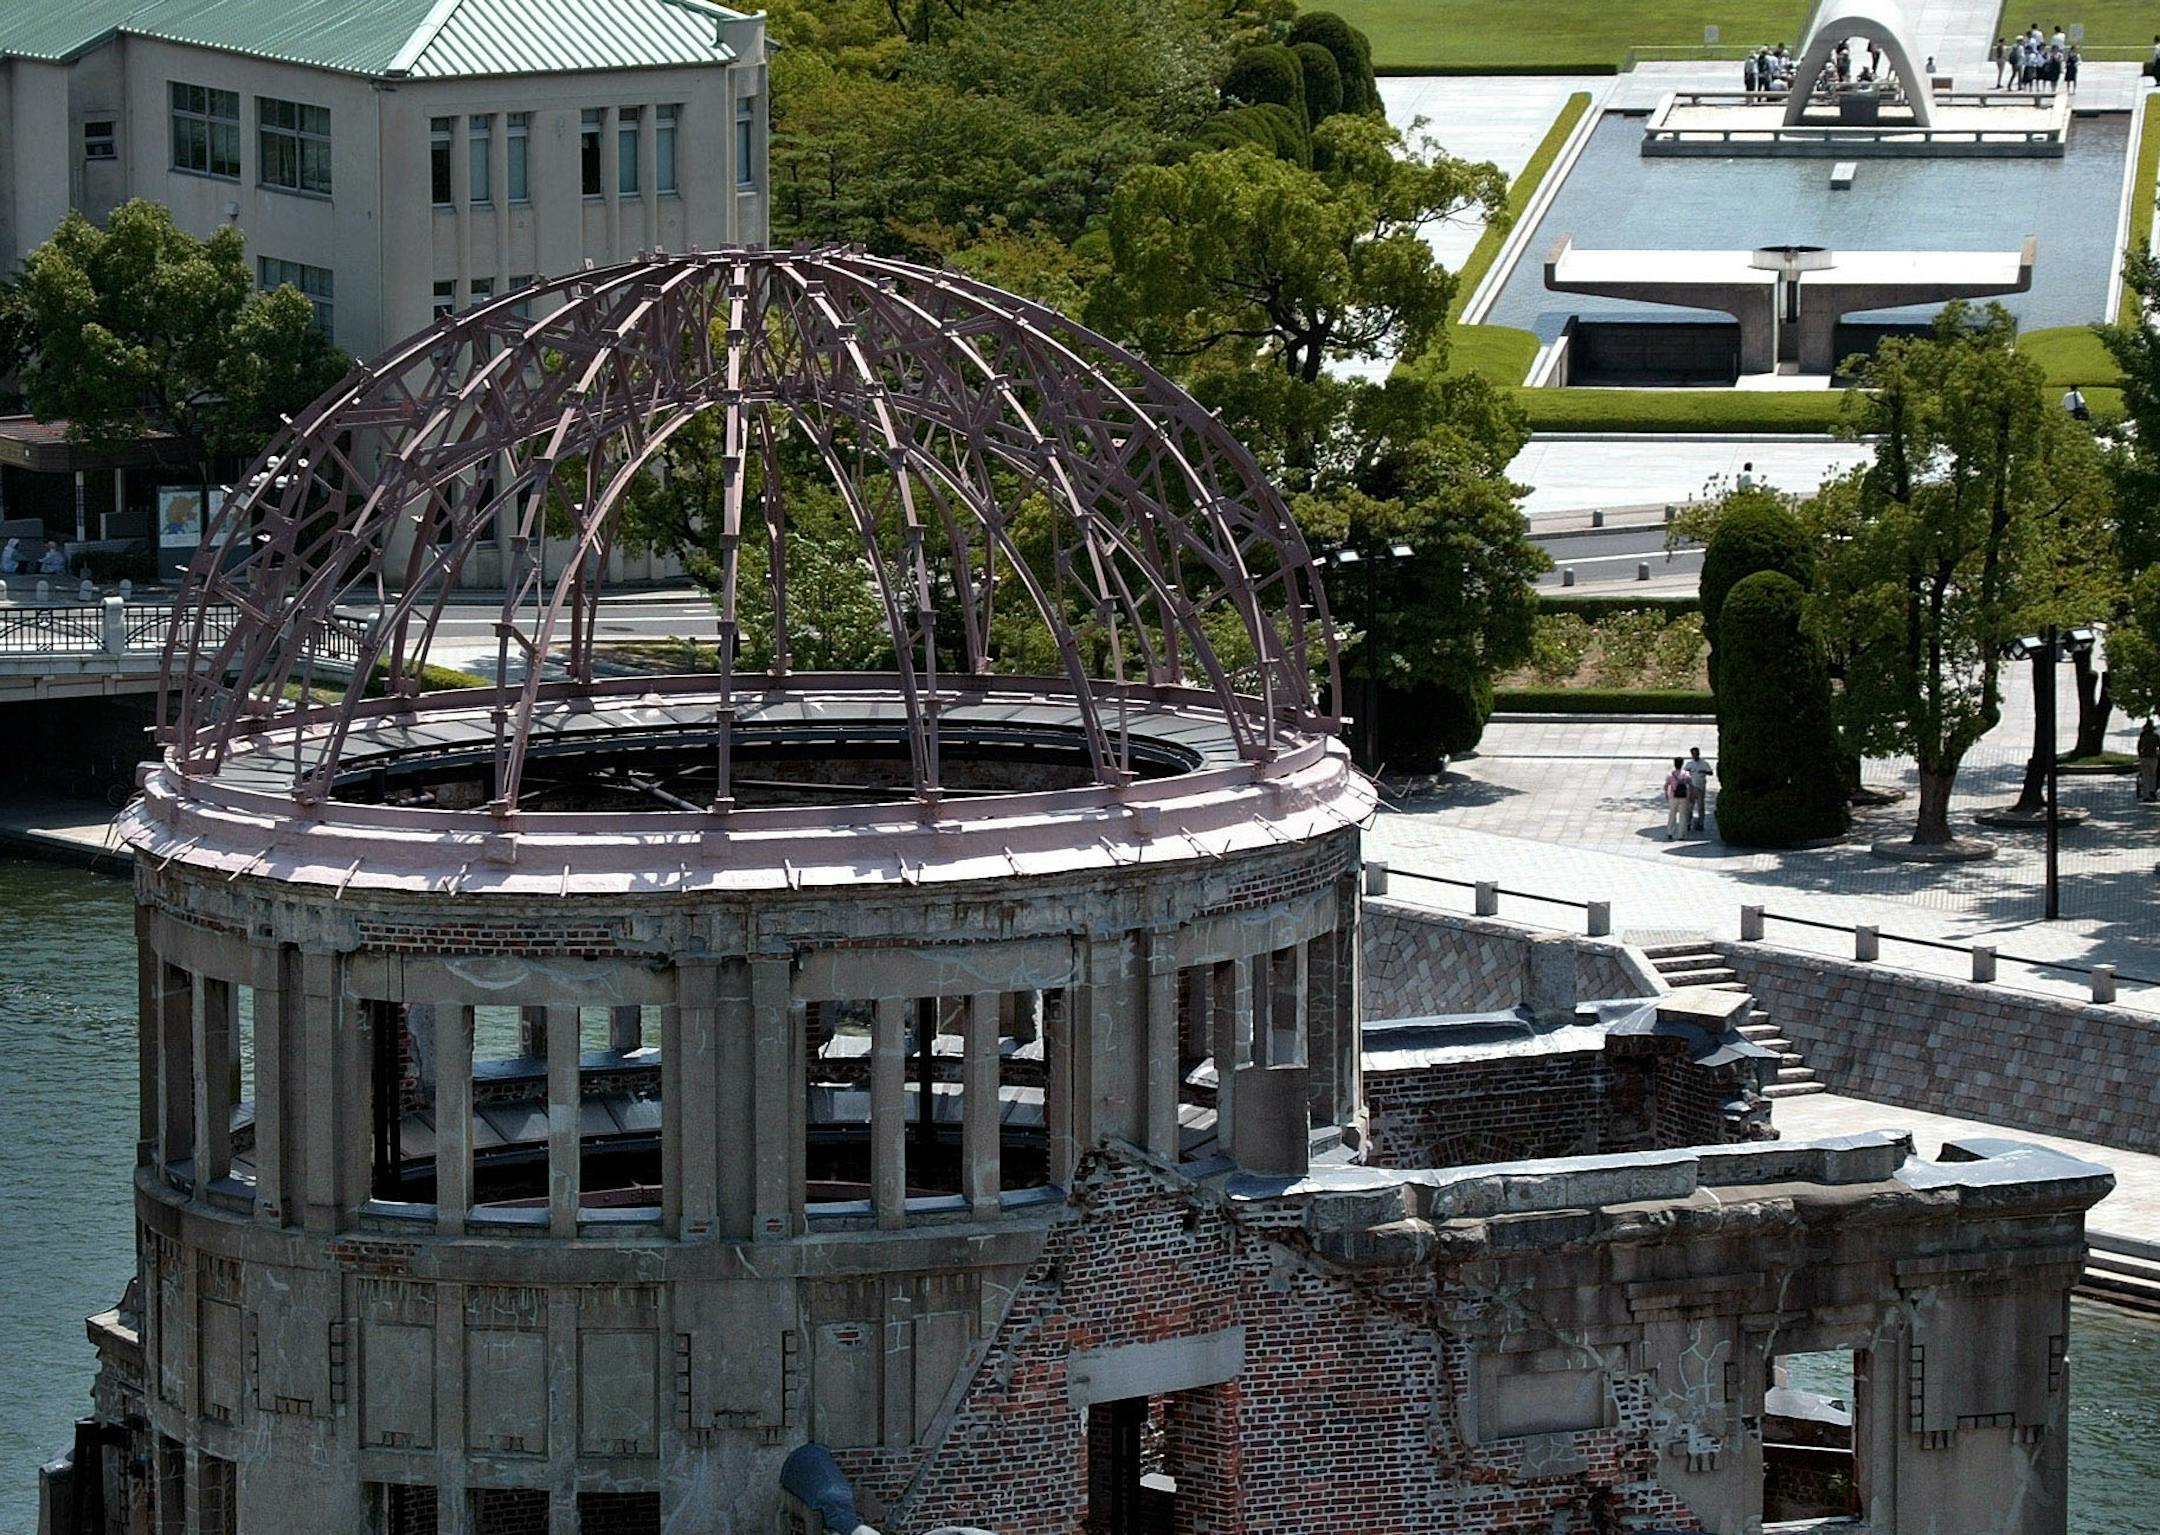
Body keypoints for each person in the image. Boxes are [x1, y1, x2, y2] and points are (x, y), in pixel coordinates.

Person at [1685, 746, 1714, 832]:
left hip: (1701, 787)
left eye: (1696, 753)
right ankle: (1688, 823)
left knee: (1701, 806)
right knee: (1690, 806)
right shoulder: (1689, 764)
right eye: (1693, 754)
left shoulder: (1704, 763)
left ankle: (1701, 823)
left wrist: (1703, 771)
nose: (1694, 755)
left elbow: (1710, 772)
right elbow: (1684, 773)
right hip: (1692, 787)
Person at [1664, 758, 1691, 840]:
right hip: (1683, 797)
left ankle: (1670, 832)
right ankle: (1681, 835)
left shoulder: (1670, 775)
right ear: (1682, 764)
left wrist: (1666, 794)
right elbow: (1690, 784)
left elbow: (1666, 786)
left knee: (1672, 814)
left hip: (1673, 796)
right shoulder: (1686, 774)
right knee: (1683, 816)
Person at [2140, 720, 2160, 803]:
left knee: (2145, 776)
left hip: (2144, 757)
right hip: (2153, 757)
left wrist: (2140, 755)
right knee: (2153, 775)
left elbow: (2140, 747)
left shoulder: (2143, 736)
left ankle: (2146, 795)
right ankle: (2152, 791)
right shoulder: (2156, 736)